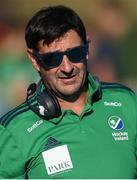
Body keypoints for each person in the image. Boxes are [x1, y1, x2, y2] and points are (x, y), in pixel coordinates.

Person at [0, 5, 137, 179]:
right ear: (34, 60)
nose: (67, 67)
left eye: (75, 53)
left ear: (87, 49)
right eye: (52, 58)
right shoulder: (13, 129)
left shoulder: (126, 102)